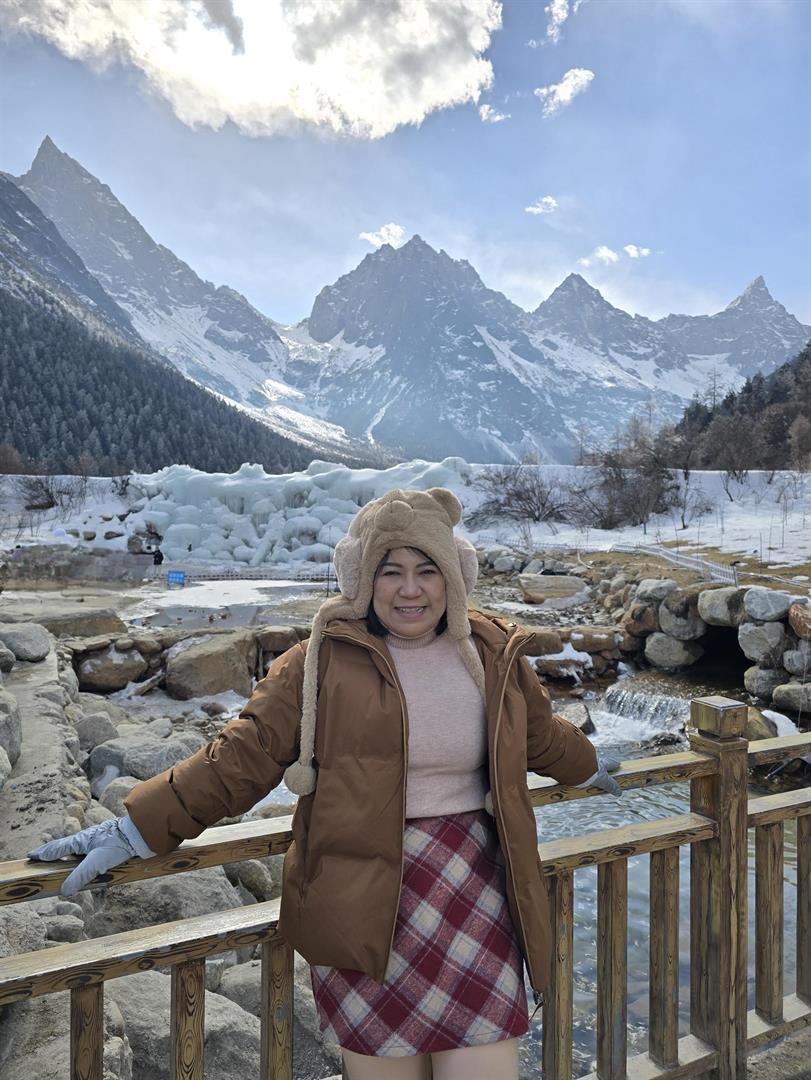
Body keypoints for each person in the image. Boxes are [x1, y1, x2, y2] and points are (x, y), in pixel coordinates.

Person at [28, 487, 620, 1080]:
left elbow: (536, 732)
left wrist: (588, 764)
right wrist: (139, 827)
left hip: (474, 891)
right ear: (361, 577)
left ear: (454, 574)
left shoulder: (490, 651)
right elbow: (243, 756)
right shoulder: (320, 660)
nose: (409, 589)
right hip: (358, 904)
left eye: (427, 570)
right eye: (390, 571)